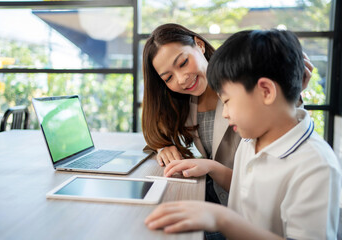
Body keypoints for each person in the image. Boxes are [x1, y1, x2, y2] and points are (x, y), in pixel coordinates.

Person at [144, 29, 341, 239]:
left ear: (266, 91)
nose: (225, 113)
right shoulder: (250, 142)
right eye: (168, 77)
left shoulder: (316, 165)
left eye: (227, 101)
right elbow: (243, 199)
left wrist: (222, 219)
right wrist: (208, 167)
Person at [141, 23, 314, 205]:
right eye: (168, 78)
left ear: (199, 44)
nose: (181, 78)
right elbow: (155, 128)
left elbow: (285, 131)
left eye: (183, 63)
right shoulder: (180, 101)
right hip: (218, 197)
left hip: (251, 204)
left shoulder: (243, 84)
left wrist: (292, 93)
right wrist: (163, 147)